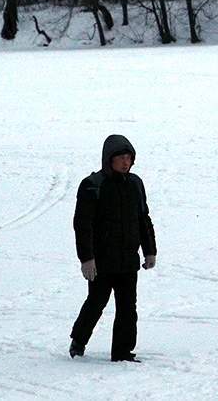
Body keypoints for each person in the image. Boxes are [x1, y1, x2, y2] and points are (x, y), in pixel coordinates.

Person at [70, 134, 157, 363]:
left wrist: (150, 251)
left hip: (128, 259)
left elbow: (143, 219)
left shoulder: (135, 184)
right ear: (109, 159)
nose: (126, 162)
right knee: (96, 303)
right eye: (121, 158)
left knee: (128, 308)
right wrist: (87, 258)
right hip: (102, 261)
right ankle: (78, 341)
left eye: (129, 158)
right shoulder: (93, 185)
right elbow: (83, 225)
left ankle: (122, 352)